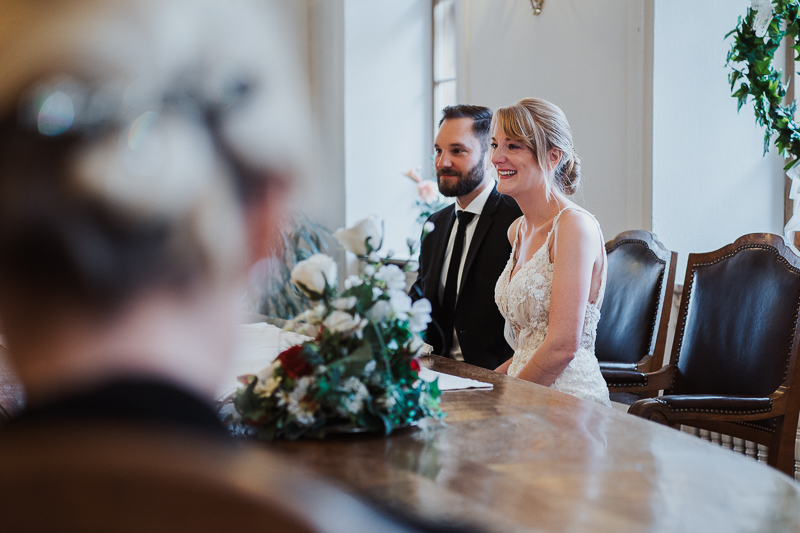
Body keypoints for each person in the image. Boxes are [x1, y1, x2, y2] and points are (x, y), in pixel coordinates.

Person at [492, 98, 611, 407]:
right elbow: (527, 347)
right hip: (526, 388)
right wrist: (484, 386)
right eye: (495, 145)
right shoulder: (517, 230)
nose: (497, 157)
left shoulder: (573, 226)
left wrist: (504, 400)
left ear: (553, 156)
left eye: (514, 146)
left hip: (565, 401)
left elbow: (561, 348)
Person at [411, 105, 521, 370]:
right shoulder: (434, 224)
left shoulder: (517, 220)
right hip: (434, 374)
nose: (442, 162)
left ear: (489, 155)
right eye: (438, 151)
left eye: (457, 151)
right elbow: (417, 300)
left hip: (494, 379)